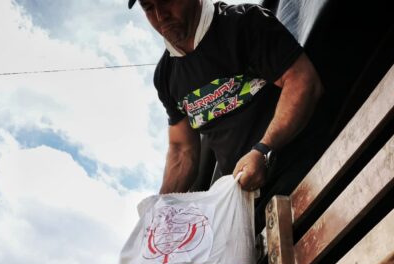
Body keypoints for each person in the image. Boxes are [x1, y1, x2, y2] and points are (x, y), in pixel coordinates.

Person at [133, 0, 323, 193]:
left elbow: (302, 81)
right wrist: (160, 210)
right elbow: (182, 150)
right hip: (245, 200)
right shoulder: (166, 76)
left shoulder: (242, 23)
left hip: (306, 175)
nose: (160, 15)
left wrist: (263, 150)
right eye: (148, 7)